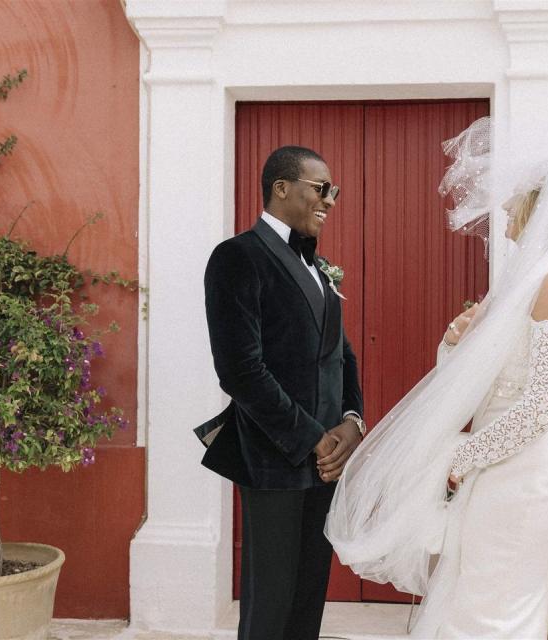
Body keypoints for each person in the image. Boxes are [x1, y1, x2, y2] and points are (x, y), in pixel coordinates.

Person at [325, 117, 548, 639]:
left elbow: (544, 405)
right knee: (475, 588)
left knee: (495, 601)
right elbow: (471, 374)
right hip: (498, 459)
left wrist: (462, 457)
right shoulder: (527, 280)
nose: (506, 215)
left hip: (526, 469)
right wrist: (457, 335)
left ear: (540, 210)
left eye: (515, 204)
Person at [195, 145, 365, 640]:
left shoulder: (322, 267)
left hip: (328, 460)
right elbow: (240, 370)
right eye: (320, 188)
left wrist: (352, 424)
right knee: (270, 601)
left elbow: (342, 356)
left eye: (333, 191)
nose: (330, 200)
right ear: (281, 188)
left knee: (309, 593)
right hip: (275, 455)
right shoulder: (236, 258)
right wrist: (314, 438)